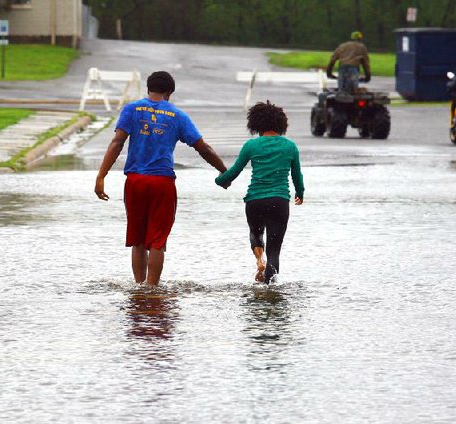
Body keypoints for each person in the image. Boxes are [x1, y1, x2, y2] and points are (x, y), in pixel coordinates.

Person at [94, 71, 227, 286]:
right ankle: (152, 288)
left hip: (135, 181)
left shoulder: (132, 109)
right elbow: (203, 149)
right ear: (169, 93)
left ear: (148, 89)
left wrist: (101, 175)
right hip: (162, 182)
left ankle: (139, 288)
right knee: (157, 240)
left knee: (137, 239)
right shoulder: (177, 116)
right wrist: (223, 170)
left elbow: (116, 143)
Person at [215, 101, 304, 284]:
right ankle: (270, 290)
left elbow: (233, 172)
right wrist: (300, 193)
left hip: (254, 201)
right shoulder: (290, 146)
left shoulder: (251, 146)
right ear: (281, 124)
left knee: (255, 234)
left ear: (256, 124)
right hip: (279, 201)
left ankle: (258, 261)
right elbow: (297, 176)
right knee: (274, 251)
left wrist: (221, 180)